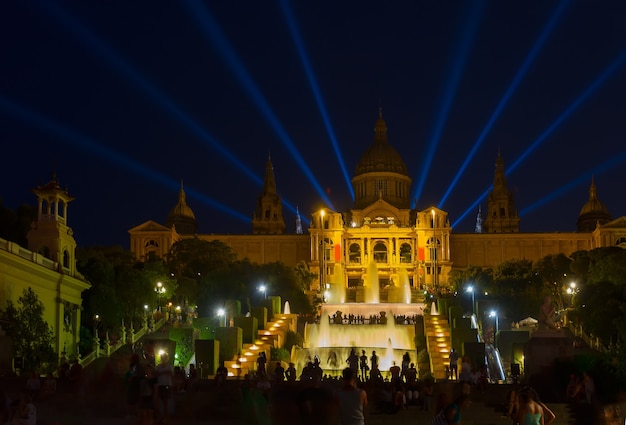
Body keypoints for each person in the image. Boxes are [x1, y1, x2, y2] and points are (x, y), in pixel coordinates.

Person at [155, 353, 174, 424]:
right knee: (160, 401)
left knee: (166, 402)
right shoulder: (158, 367)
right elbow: (156, 374)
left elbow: (171, 374)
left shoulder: (169, 366)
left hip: (167, 385)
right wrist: (164, 372)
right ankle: (160, 416)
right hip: (160, 385)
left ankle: (166, 417)